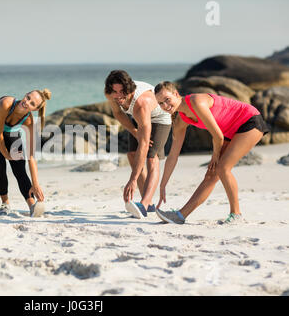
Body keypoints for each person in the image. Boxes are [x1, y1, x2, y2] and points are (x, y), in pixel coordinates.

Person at [154, 81, 269, 224]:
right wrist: (163, 185)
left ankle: (236, 214)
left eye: (167, 99)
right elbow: (173, 156)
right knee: (211, 174)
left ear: (176, 94)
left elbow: (218, 136)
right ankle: (180, 216)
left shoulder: (196, 102)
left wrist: (215, 156)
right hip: (230, 130)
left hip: (249, 121)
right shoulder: (180, 121)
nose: (165, 105)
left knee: (222, 168)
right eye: (160, 103)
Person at [104, 70, 172, 219]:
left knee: (151, 158)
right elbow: (118, 113)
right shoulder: (111, 94)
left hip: (159, 119)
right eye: (115, 91)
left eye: (122, 91)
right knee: (132, 155)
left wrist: (132, 179)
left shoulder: (142, 103)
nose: (118, 95)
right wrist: (134, 131)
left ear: (129, 89)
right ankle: (148, 207)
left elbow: (144, 143)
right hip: (138, 119)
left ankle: (145, 203)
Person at [0, 89, 50, 217]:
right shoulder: (6, 103)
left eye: (32, 103)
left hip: (11, 132)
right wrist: (6, 154)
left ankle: (32, 206)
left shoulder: (28, 120)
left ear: (34, 109)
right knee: (0, 164)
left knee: (20, 169)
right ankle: (5, 203)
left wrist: (35, 184)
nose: (27, 102)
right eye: (28, 97)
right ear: (25, 94)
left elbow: (31, 156)